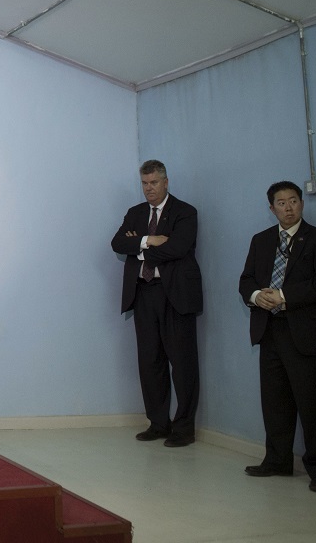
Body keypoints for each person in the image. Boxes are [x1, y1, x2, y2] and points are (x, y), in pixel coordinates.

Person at [238, 181, 316, 493]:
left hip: (308, 333)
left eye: (294, 201)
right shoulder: (261, 240)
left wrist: (283, 295)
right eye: (281, 203)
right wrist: (257, 296)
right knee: (275, 401)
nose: (288, 207)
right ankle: (277, 460)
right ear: (271, 208)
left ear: (301, 203)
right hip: (270, 329)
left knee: (314, 405)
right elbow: (246, 279)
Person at [111, 160, 203, 447]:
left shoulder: (185, 212)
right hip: (143, 293)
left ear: (166, 182)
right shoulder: (135, 213)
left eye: (153, 183)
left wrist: (138, 246)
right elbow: (117, 243)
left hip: (175, 294)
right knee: (150, 361)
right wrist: (150, 240)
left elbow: (178, 248)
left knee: (182, 362)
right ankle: (158, 423)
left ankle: (184, 428)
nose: (149, 188)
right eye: (144, 183)